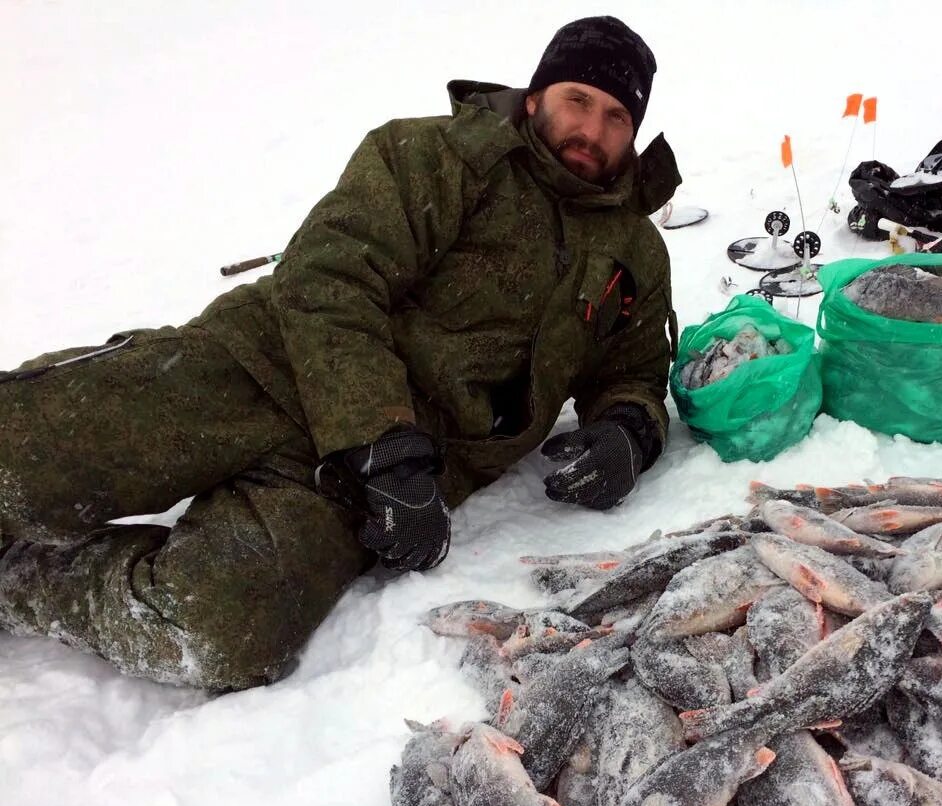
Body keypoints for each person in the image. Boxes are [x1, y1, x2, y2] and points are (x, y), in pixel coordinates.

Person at [0, 15, 680, 691]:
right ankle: (76, 384)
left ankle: (18, 577)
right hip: (267, 365)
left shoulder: (636, 256)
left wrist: (629, 430)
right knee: (25, 454)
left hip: (364, 483)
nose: (591, 130)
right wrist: (382, 441)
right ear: (536, 98)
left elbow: (636, 371)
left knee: (219, 628)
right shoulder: (434, 156)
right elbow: (328, 278)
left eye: (617, 116)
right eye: (578, 101)